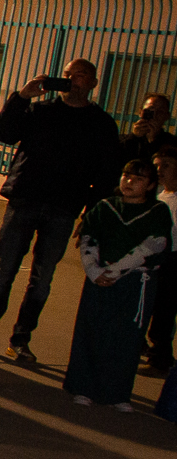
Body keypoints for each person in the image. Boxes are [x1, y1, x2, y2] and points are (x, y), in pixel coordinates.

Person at [0, 60, 123, 364]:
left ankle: (20, 339)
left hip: (64, 207)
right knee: (4, 269)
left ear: (93, 82)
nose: (73, 80)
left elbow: (106, 174)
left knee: (42, 277)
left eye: (80, 75)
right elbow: (3, 133)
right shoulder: (40, 110)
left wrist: (91, 213)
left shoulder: (101, 124)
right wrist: (22, 96)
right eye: (68, 75)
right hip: (24, 200)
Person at [64, 159, 171, 410]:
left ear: (151, 185)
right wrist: (93, 269)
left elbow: (154, 244)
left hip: (134, 282)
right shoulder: (106, 207)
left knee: (126, 336)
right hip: (99, 278)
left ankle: (116, 393)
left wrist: (115, 271)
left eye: (138, 178)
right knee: (92, 330)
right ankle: (84, 387)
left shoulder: (157, 212)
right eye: (126, 175)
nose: (129, 181)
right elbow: (89, 236)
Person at [147, 147, 177, 374]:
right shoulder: (159, 197)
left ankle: (161, 360)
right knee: (159, 310)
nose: (159, 170)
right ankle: (158, 356)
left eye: (165, 165)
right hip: (161, 259)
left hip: (174, 260)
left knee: (166, 311)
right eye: (157, 165)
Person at [121, 92, 172, 165]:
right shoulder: (124, 140)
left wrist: (153, 141)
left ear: (167, 116)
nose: (154, 116)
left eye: (160, 112)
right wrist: (134, 137)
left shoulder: (171, 144)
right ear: (140, 112)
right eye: (149, 111)